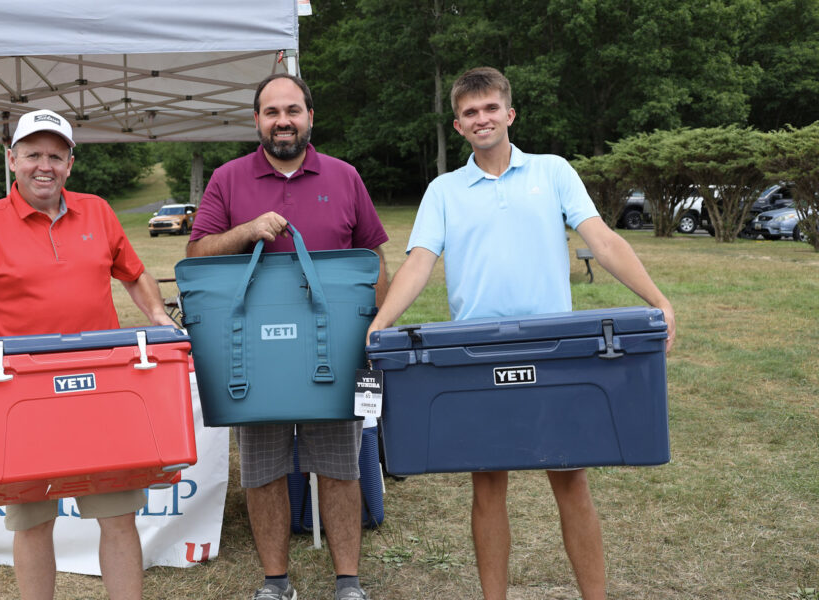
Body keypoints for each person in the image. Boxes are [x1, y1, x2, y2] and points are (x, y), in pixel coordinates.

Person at [366, 67, 676, 600]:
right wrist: (380, 323)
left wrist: (658, 300)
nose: (481, 119)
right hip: (476, 352)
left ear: (509, 114)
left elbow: (601, 240)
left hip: (557, 348)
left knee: (572, 482)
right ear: (459, 126)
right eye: (469, 113)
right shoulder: (444, 190)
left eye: (490, 109)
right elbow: (419, 263)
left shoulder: (553, 172)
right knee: (486, 485)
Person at [0, 109, 174, 600]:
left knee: (118, 518)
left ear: (70, 164)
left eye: (55, 156)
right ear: (11, 159)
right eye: (32, 154)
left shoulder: (98, 211)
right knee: (33, 524)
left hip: (102, 388)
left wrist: (158, 314)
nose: (44, 166)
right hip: (19, 394)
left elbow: (135, 272)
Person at [186, 73, 389, 600]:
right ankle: (276, 582)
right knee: (263, 472)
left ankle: (349, 581)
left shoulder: (344, 176)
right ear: (256, 120)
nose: (283, 121)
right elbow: (197, 257)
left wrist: (377, 328)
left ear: (310, 117)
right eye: (272, 112)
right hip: (253, 358)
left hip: (334, 352)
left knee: (340, 469)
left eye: (293, 110)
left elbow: (373, 259)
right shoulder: (228, 179)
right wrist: (246, 230)